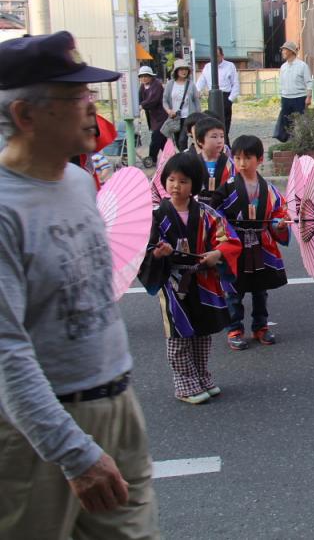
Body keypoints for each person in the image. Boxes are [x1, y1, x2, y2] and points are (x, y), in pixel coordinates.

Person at [0, 31, 159, 538]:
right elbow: (7, 353)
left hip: (118, 406)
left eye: (88, 95)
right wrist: (74, 453)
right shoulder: (6, 209)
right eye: (74, 99)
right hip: (42, 431)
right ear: (25, 116)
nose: (90, 109)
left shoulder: (75, 182)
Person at [139, 153, 241, 403]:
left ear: (195, 184)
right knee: (178, 332)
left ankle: (201, 375)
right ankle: (184, 382)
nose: (176, 185)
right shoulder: (156, 215)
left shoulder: (207, 213)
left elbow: (230, 240)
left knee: (203, 331)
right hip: (172, 282)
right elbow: (146, 247)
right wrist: (158, 253)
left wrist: (217, 253)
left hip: (203, 279)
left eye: (183, 181)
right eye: (171, 179)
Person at [208, 135, 290, 350]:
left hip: (261, 244)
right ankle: (234, 328)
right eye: (237, 158)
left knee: (260, 289)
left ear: (260, 159)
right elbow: (214, 214)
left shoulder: (270, 190)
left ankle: (260, 326)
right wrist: (226, 230)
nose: (242, 163)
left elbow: (278, 213)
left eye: (247, 158)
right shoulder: (227, 187)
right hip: (236, 244)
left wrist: (278, 225)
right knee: (234, 290)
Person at [196, 47, 240, 137]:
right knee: (213, 123)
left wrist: (230, 99)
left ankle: (225, 144)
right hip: (212, 97)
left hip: (225, 96)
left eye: (217, 56)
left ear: (222, 56)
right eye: (213, 56)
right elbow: (201, 80)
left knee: (224, 125)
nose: (215, 58)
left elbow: (235, 84)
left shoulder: (230, 66)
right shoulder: (207, 67)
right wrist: (197, 91)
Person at [274, 40, 313, 143]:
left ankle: (303, 141)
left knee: (301, 120)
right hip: (286, 97)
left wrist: (309, 97)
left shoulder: (302, 65)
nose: (282, 52)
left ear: (291, 51)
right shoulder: (283, 67)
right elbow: (281, 83)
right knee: (286, 121)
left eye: (284, 50)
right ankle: (288, 142)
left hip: (299, 97)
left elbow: (309, 82)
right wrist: (281, 96)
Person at [193, 117, 234, 203]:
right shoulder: (193, 162)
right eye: (214, 137)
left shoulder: (229, 164)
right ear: (200, 141)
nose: (219, 141)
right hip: (198, 207)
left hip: (222, 206)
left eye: (222, 136)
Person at [163, 58, 201, 151]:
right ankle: (183, 158)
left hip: (188, 117)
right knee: (177, 140)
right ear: (176, 71)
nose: (184, 71)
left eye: (186, 69)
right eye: (181, 69)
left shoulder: (191, 84)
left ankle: (184, 159)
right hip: (175, 117)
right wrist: (168, 111)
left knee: (182, 140)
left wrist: (198, 116)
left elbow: (196, 101)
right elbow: (165, 100)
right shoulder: (170, 84)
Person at [137, 65, 167, 167]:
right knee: (162, 140)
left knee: (155, 138)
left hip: (161, 116)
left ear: (151, 76)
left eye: (146, 76)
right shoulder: (142, 86)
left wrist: (142, 105)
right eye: (142, 76)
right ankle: (172, 156)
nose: (144, 78)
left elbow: (153, 100)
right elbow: (140, 98)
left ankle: (152, 159)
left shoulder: (157, 85)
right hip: (153, 117)